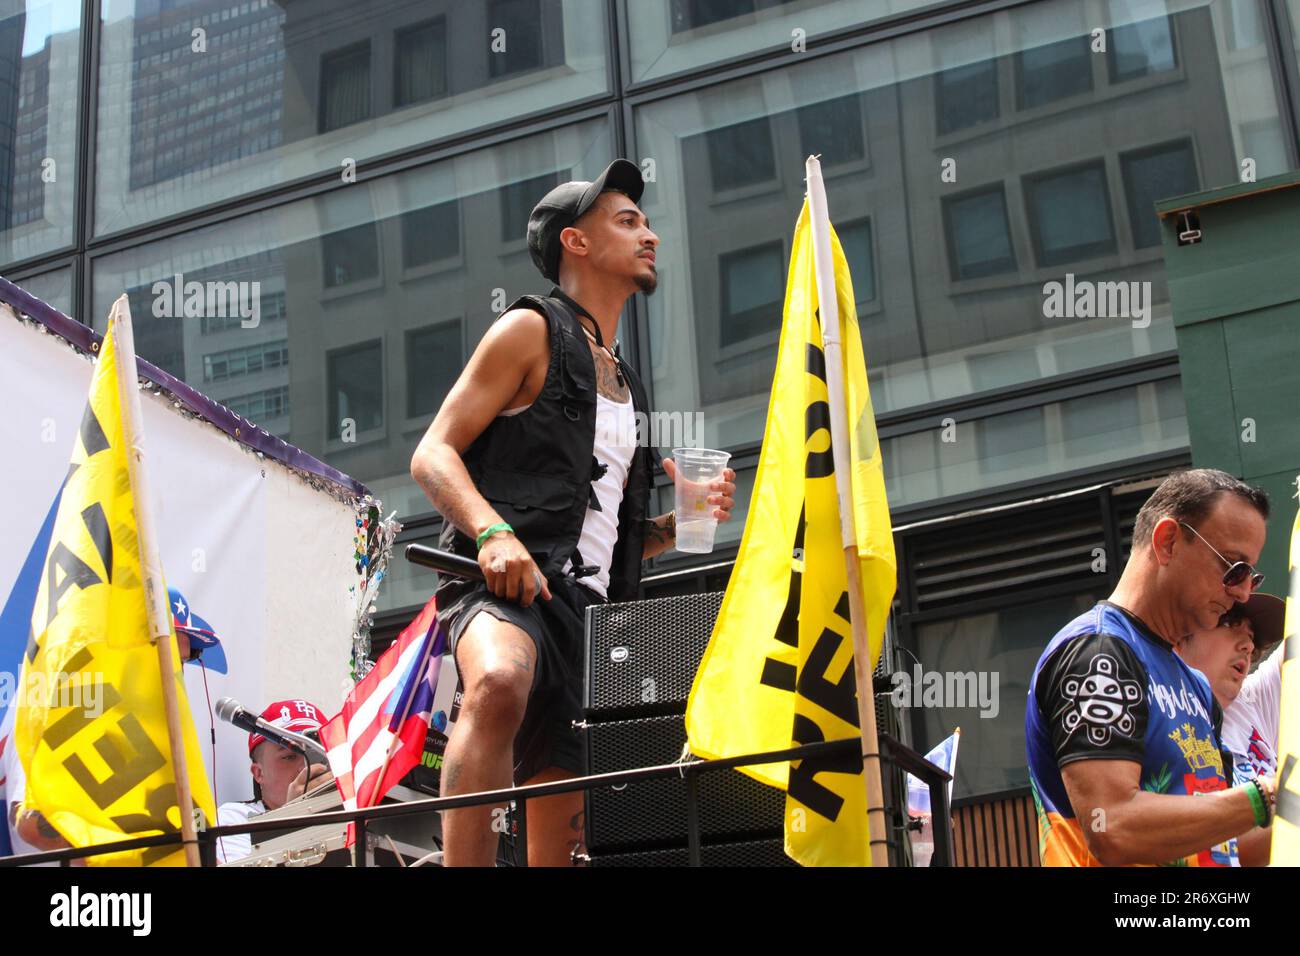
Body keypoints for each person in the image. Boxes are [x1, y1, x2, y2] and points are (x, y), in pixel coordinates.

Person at [410, 159, 736, 866]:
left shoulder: (628, 386)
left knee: (562, 819)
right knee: (497, 683)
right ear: (576, 243)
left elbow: (604, 540)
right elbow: (433, 455)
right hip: (502, 591)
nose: (649, 234)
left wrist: (676, 526)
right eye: (628, 221)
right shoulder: (528, 331)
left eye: (646, 222)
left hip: (588, 621)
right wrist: (492, 534)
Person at [1025, 468, 1277, 866]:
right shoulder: (1098, 653)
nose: (1243, 592)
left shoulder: (1193, 684)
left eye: (1250, 575)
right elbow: (1114, 827)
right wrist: (1269, 796)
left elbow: (1225, 842)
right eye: (1233, 568)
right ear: (1167, 542)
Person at [1177, 593, 1286, 865]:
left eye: (1253, 638)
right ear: (1178, 639)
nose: (1249, 645)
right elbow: (1215, 852)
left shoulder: (1250, 702)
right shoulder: (1158, 720)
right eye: (1231, 623)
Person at [215, 698, 333, 864]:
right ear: (259, 773)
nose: (305, 767)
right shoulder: (235, 818)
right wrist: (295, 814)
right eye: (290, 756)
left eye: (316, 753)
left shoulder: (354, 810)